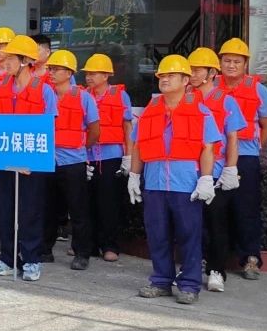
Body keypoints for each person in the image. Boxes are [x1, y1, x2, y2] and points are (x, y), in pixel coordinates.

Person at [128, 55, 224, 305]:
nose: (165, 79)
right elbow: (138, 146)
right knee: (157, 233)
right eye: (162, 75)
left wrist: (206, 179)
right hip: (155, 183)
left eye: (171, 75)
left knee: (189, 235)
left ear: (185, 80)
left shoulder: (201, 111)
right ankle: (161, 280)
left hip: (185, 184)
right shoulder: (150, 111)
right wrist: (134, 176)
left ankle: (189, 284)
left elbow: (208, 148)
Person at [0, 34, 58, 282]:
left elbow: (49, 128)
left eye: (10, 58)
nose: (4, 62)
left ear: (26, 60)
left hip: (32, 163)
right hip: (5, 159)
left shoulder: (44, 90)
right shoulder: (1, 87)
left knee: (30, 212)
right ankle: (7, 258)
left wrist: (33, 160)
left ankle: (31, 260)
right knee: (6, 211)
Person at [216, 38, 267, 280]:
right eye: (227, 60)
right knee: (215, 209)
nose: (231, 65)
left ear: (245, 64)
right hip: (217, 157)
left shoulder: (259, 90)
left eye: (236, 61)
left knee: (246, 208)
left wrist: (255, 148)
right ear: (219, 62)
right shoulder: (211, 86)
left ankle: (250, 258)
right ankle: (213, 257)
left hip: (246, 156)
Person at [188, 47, 244, 292]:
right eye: (190, 69)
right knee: (191, 224)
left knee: (216, 223)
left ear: (211, 73)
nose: (192, 74)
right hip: (188, 171)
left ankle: (216, 270)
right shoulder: (186, 98)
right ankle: (192, 266)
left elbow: (232, 138)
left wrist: (230, 169)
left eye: (197, 70)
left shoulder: (226, 100)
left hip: (217, 171)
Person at [44, 50, 100, 270]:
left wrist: (80, 147)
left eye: (56, 69)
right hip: (47, 161)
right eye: (50, 69)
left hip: (73, 162)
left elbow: (94, 130)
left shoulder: (84, 97)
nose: (51, 73)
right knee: (47, 208)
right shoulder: (45, 94)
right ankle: (44, 250)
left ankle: (82, 253)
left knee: (78, 210)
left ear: (69, 73)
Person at [82, 53, 133, 263]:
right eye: (87, 73)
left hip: (111, 156)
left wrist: (128, 156)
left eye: (94, 73)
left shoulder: (120, 96)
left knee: (109, 202)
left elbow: (127, 127)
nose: (89, 77)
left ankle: (110, 245)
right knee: (87, 202)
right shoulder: (83, 95)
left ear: (106, 75)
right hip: (87, 156)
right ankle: (89, 245)